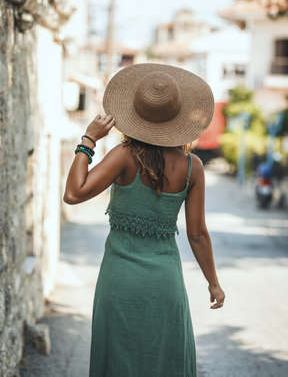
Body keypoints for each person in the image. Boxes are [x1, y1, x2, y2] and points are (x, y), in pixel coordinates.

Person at [63, 63, 225, 377]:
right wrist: (213, 283)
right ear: (177, 118)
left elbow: (73, 193)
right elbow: (198, 235)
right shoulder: (193, 167)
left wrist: (89, 139)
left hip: (119, 282)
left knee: (120, 362)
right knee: (163, 363)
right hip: (165, 284)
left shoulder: (124, 156)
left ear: (135, 114)